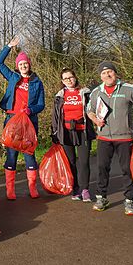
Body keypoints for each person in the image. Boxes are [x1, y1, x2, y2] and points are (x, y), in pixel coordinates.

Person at [86, 61, 133, 215]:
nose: (107, 75)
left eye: (110, 72)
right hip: (104, 137)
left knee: (127, 169)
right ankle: (101, 198)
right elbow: (89, 110)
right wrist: (95, 119)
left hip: (125, 138)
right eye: (104, 73)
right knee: (101, 168)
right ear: (100, 76)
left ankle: (130, 201)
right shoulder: (96, 92)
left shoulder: (128, 89)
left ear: (115, 73)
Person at [0, 37, 44, 200]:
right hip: (12, 120)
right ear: (17, 66)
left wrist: (31, 109)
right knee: (11, 154)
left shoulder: (37, 82)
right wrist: (8, 46)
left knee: (29, 153)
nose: (23, 66)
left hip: (29, 122)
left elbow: (41, 104)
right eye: (21, 64)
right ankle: (10, 190)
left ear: (29, 65)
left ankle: (32, 187)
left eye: (26, 64)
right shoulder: (13, 77)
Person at [51, 68, 96, 202]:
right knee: (71, 162)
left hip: (83, 131)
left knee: (84, 161)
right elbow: (55, 116)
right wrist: (54, 132)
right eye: (65, 79)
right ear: (62, 81)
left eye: (70, 77)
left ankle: (85, 189)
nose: (69, 80)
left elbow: (94, 110)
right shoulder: (59, 96)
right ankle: (75, 188)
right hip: (65, 132)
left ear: (75, 77)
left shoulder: (85, 93)